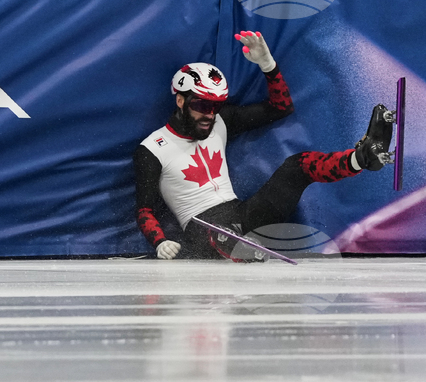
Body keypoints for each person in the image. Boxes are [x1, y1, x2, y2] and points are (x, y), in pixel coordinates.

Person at [134, 30, 394, 260]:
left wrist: (268, 66)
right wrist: (160, 241)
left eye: (216, 106)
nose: (210, 115)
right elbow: (145, 210)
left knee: (297, 166)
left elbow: (281, 108)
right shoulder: (153, 148)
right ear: (180, 101)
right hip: (203, 226)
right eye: (202, 105)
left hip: (242, 213)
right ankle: (237, 247)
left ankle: (362, 157)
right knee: (219, 233)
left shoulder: (220, 122)